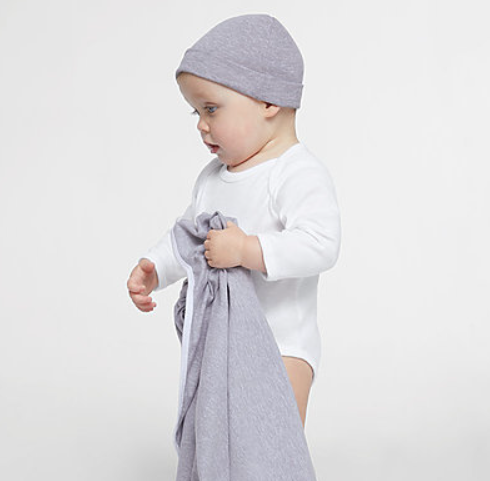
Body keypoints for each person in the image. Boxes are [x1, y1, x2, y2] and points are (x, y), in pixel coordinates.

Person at [127, 13, 341, 427]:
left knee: (273, 441)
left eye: (211, 108)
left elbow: (321, 244)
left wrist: (247, 250)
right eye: (195, 112)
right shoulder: (212, 179)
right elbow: (188, 237)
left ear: (268, 101)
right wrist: (156, 267)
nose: (201, 125)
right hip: (222, 343)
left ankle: (277, 476)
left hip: (282, 344)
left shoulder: (296, 173)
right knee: (221, 436)